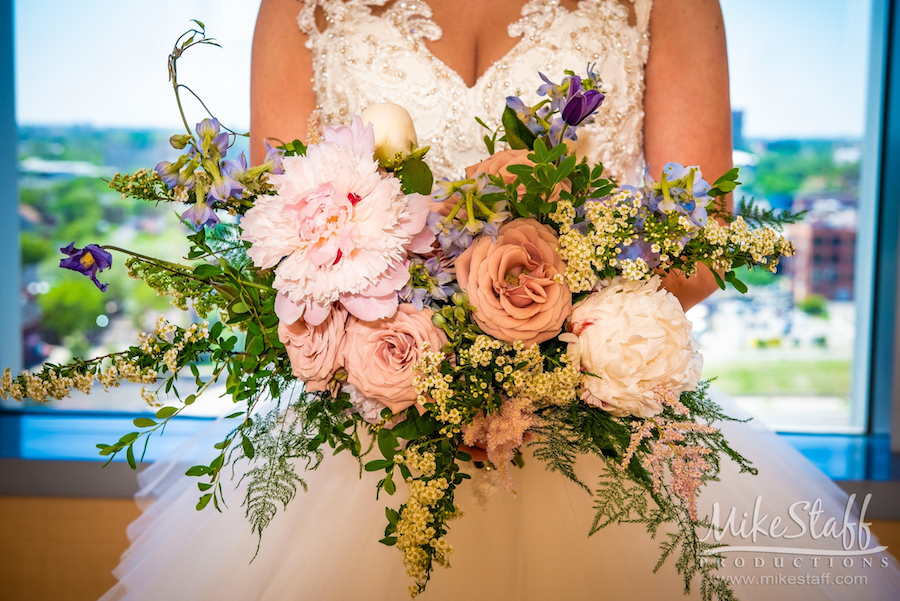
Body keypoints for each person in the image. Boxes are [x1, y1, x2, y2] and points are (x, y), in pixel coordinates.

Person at [101, 1, 900, 599]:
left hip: (598, 427)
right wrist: (420, 342)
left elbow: (700, 243)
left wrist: (537, 328)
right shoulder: (302, 7)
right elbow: (281, 235)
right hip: (372, 429)